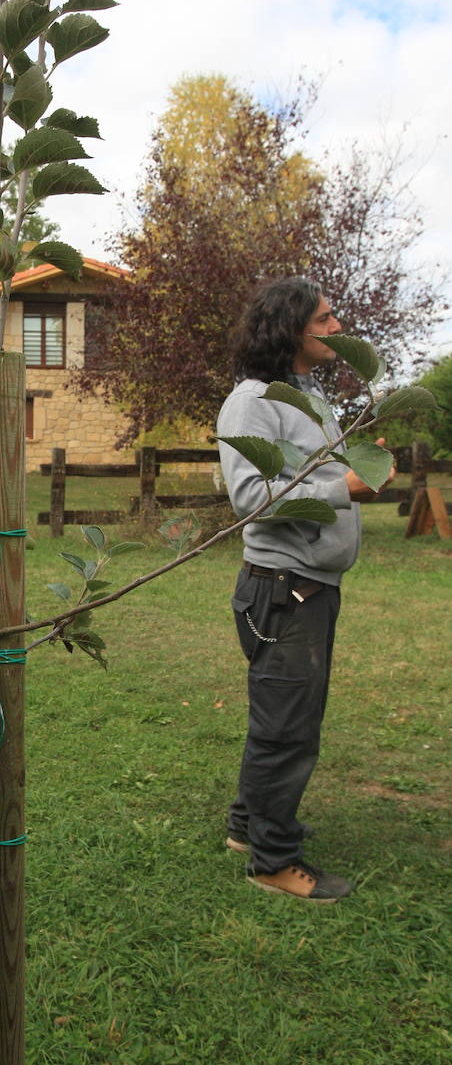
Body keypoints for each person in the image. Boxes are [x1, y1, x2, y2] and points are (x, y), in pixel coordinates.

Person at [217, 276, 394, 903]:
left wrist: (356, 467)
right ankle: (273, 861)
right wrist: (341, 489)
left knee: (282, 717)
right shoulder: (252, 401)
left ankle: (247, 827)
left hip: (309, 586)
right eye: (324, 319)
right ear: (290, 327)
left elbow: (311, 472)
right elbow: (248, 500)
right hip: (284, 589)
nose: (337, 327)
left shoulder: (309, 397)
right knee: (287, 728)